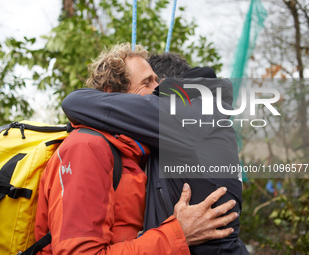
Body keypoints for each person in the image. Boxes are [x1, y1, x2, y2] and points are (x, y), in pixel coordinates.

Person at [35, 43, 239, 255]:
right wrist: (178, 234)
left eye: (157, 81)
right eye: (147, 82)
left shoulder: (134, 154)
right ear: (112, 95)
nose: (158, 91)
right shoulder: (87, 148)